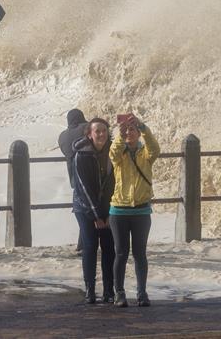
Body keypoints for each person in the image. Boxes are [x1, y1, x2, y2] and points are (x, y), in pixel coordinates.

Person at [108, 114, 160, 308]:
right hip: (119, 210)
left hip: (141, 211)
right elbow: (112, 153)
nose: (129, 133)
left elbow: (155, 148)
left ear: (138, 133)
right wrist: (120, 135)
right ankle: (119, 293)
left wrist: (144, 127)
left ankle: (142, 293)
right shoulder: (118, 155)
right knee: (121, 253)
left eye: (132, 129)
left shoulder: (145, 153)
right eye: (126, 130)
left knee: (140, 253)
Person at [72, 118, 115, 304]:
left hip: (108, 208)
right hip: (84, 207)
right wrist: (97, 215)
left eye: (104, 130)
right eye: (97, 131)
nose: (101, 134)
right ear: (89, 134)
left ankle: (108, 289)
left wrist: (108, 212)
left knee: (109, 247)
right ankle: (90, 288)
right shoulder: (81, 155)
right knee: (90, 246)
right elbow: (83, 187)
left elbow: (115, 183)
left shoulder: (114, 152)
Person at [59, 109, 88, 252]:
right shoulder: (86, 128)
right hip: (89, 176)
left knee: (82, 212)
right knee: (90, 213)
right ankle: (84, 245)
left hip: (74, 179)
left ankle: (82, 245)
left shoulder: (62, 136)